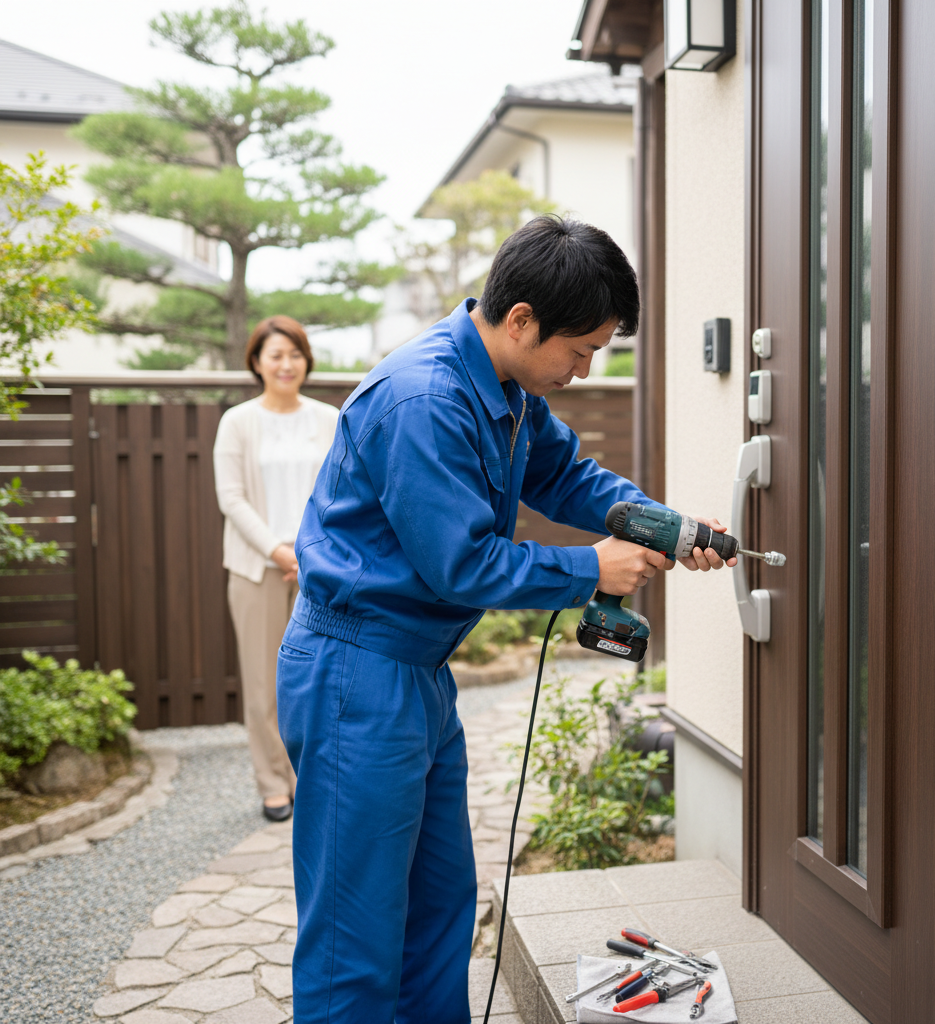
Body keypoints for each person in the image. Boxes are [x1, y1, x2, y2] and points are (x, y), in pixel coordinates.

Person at [276, 217, 734, 1023]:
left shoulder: (509, 389)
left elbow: (568, 477)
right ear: (521, 318)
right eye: (581, 349)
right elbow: (463, 564)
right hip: (355, 672)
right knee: (356, 937)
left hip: (415, 673)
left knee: (437, 908)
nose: (586, 369)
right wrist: (592, 567)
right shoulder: (425, 399)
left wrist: (668, 526)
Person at [213, 315, 339, 822]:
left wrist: (307, 551)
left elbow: (340, 493)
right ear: (257, 363)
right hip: (257, 569)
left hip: (319, 568)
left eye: (295, 354)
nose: (286, 364)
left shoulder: (330, 418)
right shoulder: (238, 421)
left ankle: (307, 779)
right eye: (275, 355)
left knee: (316, 680)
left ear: (306, 361)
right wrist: (277, 550)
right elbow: (231, 498)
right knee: (264, 682)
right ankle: (271, 783)